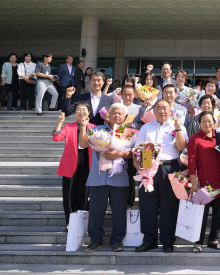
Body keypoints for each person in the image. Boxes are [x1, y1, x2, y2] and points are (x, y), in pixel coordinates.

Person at [134, 99, 187, 253]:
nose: (162, 111)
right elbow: (138, 149)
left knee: (169, 206)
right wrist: (140, 166)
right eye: (158, 108)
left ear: (170, 110)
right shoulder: (146, 128)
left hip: (170, 168)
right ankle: (149, 240)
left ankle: (168, 240)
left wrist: (177, 130)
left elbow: (181, 147)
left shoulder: (177, 126)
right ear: (154, 111)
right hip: (149, 169)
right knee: (147, 205)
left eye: (165, 108)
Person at [83, 103, 132, 252]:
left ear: (124, 117)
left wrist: (119, 154)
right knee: (96, 210)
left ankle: (117, 240)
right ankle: (95, 239)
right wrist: (83, 126)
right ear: (108, 115)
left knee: (119, 211)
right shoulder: (97, 130)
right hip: (98, 177)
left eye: (120, 114)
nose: (117, 116)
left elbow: (133, 153)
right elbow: (84, 144)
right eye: (114, 113)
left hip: (119, 178)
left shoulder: (128, 133)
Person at [188, 110, 220, 253]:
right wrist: (194, 181)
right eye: (204, 121)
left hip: (219, 181)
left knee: (218, 213)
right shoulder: (195, 138)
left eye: (209, 120)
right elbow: (191, 161)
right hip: (205, 183)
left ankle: (213, 239)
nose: (207, 123)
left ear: (214, 122)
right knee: (202, 214)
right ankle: (198, 241)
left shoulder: (219, 137)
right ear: (199, 123)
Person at [53, 102, 94, 229]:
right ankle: (69, 221)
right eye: (78, 110)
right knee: (69, 193)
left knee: (84, 192)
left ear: (89, 112)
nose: (81, 112)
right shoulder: (68, 126)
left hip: (87, 163)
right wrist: (60, 122)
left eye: (84, 110)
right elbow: (57, 138)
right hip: (70, 163)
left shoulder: (94, 127)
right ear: (75, 113)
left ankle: (81, 219)